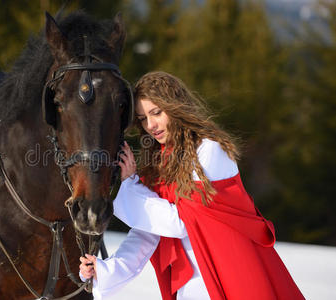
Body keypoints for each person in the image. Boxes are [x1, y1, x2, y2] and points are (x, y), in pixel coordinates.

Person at [79, 71, 304, 300]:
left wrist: (132, 186)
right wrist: (107, 270)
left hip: (230, 276)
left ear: (175, 106)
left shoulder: (209, 151)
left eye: (156, 112)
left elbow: (181, 223)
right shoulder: (159, 161)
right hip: (192, 285)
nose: (151, 125)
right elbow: (148, 233)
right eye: (143, 118)